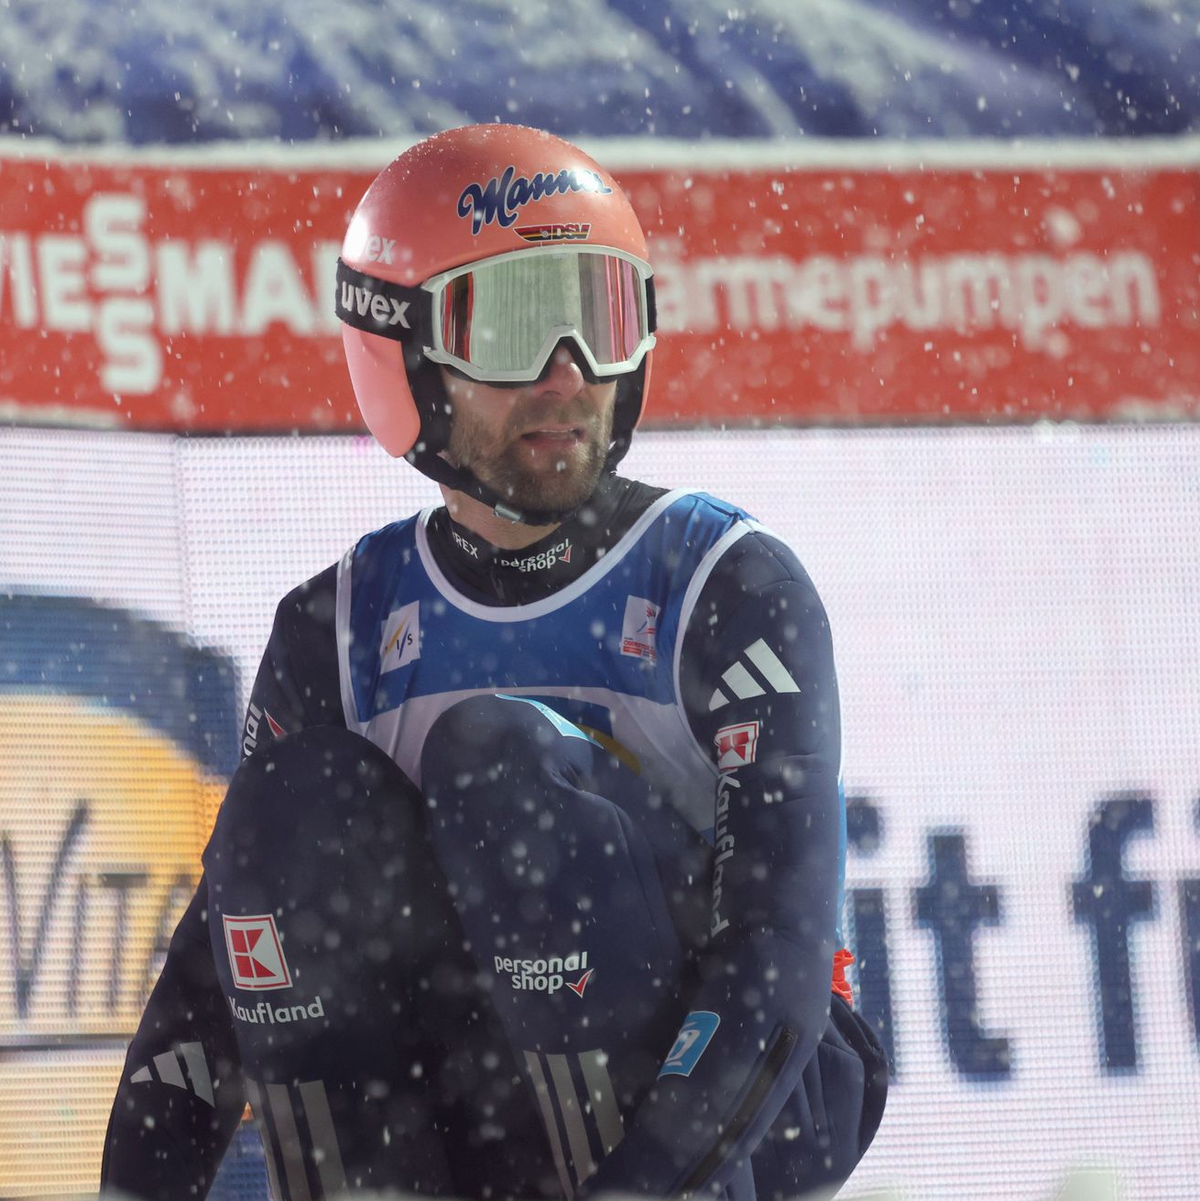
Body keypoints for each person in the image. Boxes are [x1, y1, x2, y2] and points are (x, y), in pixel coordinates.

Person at [102, 123, 887, 1201]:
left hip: (753, 1100)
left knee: (498, 760)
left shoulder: (726, 584)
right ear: (405, 355)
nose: (571, 374)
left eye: (601, 317)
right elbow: (210, 988)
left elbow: (780, 957)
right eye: (514, 326)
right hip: (479, 1101)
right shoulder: (335, 627)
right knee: (288, 811)